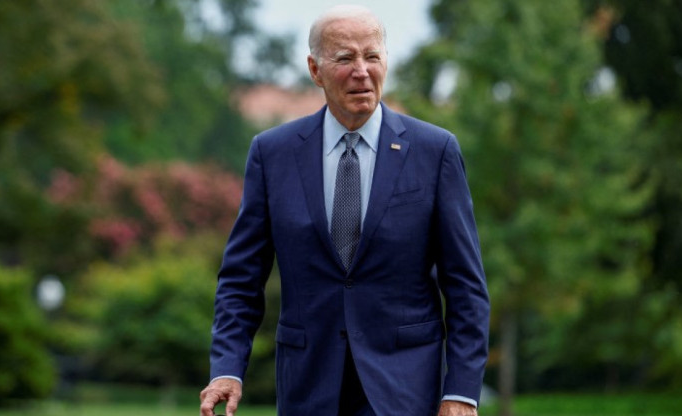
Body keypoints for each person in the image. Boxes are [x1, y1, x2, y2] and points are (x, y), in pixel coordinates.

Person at [199, 5, 489, 416]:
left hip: (404, 389)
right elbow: (240, 280)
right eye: (345, 58)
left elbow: (466, 286)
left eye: (372, 56)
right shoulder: (272, 154)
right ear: (315, 70)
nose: (361, 70)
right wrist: (227, 368)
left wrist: (460, 391)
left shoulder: (435, 152)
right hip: (308, 388)